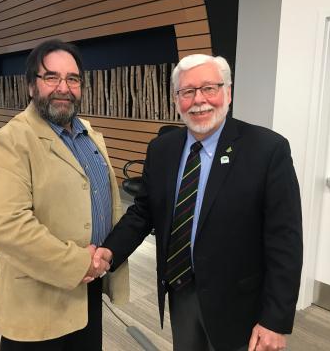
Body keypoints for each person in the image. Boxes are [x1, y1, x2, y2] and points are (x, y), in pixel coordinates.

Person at [95, 54, 303, 351]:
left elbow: (286, 240)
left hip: (241, 305)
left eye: (209, 88)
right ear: (176, 99)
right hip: (182, 293)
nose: (199, 100)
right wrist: (110, 250)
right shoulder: (162, 148)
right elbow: (144, 212)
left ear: (228, 92)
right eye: (187, 91)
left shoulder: (268, 150)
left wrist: (275, 320)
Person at [0, 39, 128, 351]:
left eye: (73, 79)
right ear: (32, 86)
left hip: (89, 287)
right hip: (39, 301)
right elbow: (8, 228)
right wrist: (80, 263)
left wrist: (99, 261)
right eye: (51, 77)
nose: (64, 87)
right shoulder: (10, 141)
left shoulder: (88, 133)